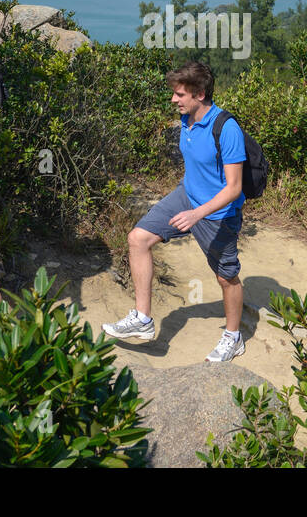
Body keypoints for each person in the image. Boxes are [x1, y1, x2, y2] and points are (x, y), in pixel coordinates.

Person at [103, 61, 248, 362]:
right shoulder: (187, 119)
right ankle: (143, 319)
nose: (174, 100)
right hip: (186, 196)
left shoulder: (227, 128)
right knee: (138, 239)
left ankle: (233, 337)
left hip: (218, 214)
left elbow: (233, 188)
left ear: (200, 93)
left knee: (226, 278)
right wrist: (189, 203)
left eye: (180, 94)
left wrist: (197, 215)